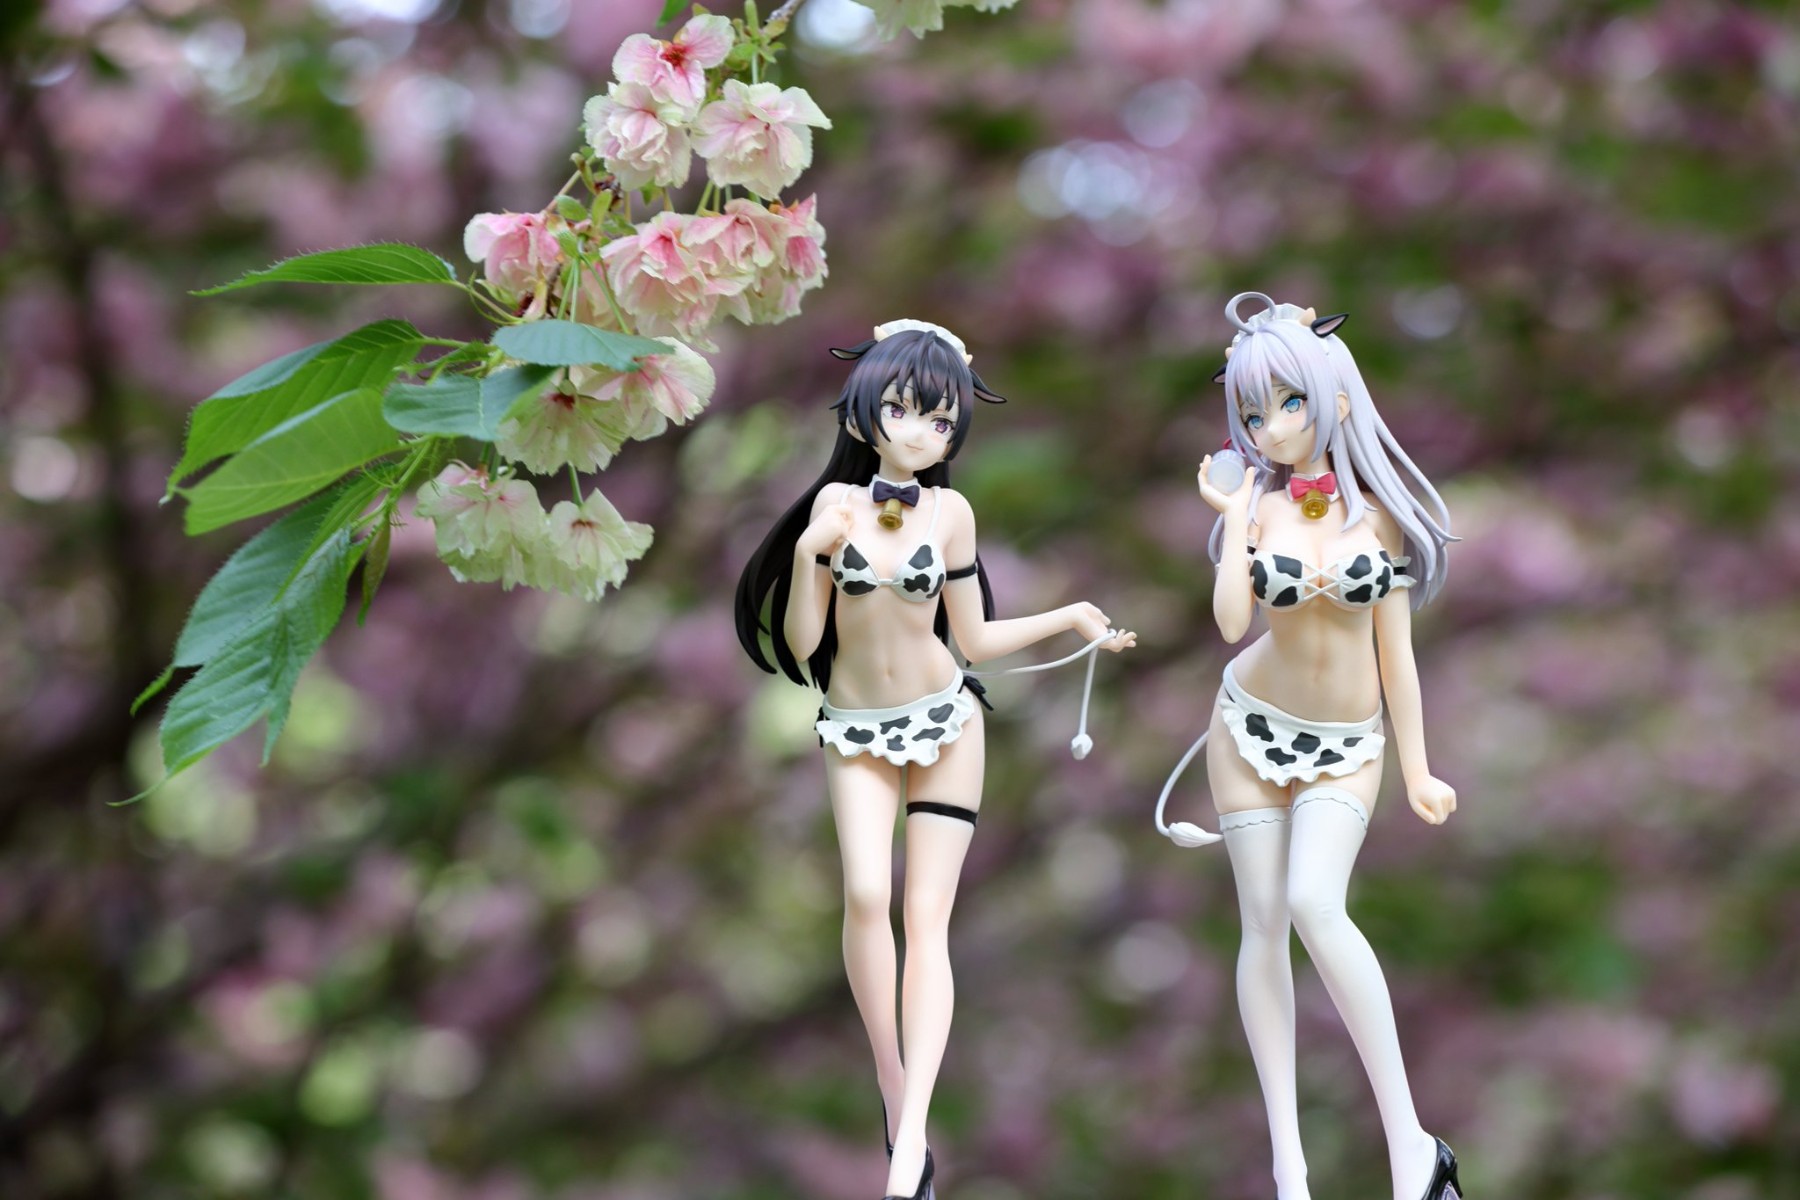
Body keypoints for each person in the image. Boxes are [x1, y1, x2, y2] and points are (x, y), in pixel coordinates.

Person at [735, 320, 1134, 1200]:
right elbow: (803, 645)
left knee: (926, 917)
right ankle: (894, 1087)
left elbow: (974, 638)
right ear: (863, 412)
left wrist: (1070, 616)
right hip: (856, 726)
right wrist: (808, 555)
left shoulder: (951, 514)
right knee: (864, 896)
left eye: (941, 420)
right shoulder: (832, 509)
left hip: (948, 723)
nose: (921, 433)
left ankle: (912, 1135)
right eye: (905, 411)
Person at [1160, 293, 1463, 1200]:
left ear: (1333, 395)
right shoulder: (1260, 511)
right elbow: (1230, 623)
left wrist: (1418, 767)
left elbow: (1397, 658)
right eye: (1254, 414)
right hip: (1247, 726)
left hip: (1349, 744)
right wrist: (1235, 522)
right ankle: (1289, 1166)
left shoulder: (1379, 518)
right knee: (1262, 925)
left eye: (1289, 403)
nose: (1274, 427)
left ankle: (1413, 1146)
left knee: (1313, 903)